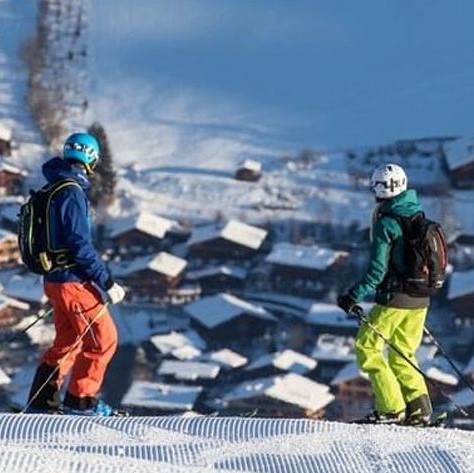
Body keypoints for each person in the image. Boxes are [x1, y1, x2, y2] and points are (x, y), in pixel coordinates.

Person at [26, 132, 126, 416]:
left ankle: (41, 400)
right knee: (104, 339)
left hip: (55, 281)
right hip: (72, 282)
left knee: (68, 342)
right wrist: (107, 281)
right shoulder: (71, 191)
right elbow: (80, 245)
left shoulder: (54, 186)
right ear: (92, 158)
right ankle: (80, 402)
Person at [337, 163, 432, 425]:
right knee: (404, 353)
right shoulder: (417, 215)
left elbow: (377, 270)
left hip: (394, 298)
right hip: (421, 298)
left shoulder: (386, 222)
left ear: (377, 188)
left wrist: (353, 295)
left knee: (367, 347)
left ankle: (391, 408)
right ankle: (420, 409)